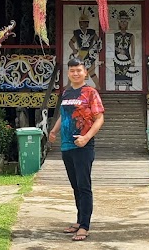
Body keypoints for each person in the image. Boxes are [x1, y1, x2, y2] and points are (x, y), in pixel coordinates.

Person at [48, 57, 105, 242]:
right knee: (75, 186)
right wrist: (54, 131)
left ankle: (85, 226)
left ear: (85, 72)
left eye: (79, 70)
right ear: (69, 73)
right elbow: (64, 116)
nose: (75, 73)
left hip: (83, 145)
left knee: (84, 186)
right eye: (72, 70)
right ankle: (79, 221)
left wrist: (86, 137)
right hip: (66, 146)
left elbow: (99, 119)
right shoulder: (65, 93)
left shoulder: (90, 93)